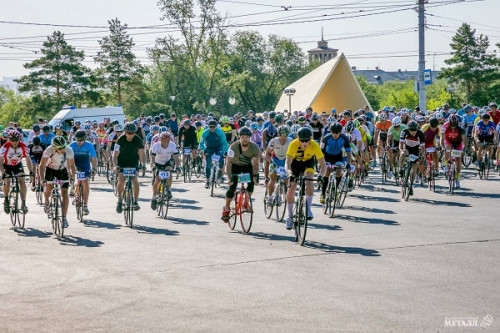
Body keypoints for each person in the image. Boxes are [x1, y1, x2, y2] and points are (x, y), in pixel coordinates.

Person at [285, 127, 326, 229]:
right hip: (295, 164)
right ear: (298, 138)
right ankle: (289, 216)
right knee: (291, 188)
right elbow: (288, 163)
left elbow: (323, 165)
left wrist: (321, 176)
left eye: (307, 140)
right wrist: (289, 173)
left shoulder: (315, 145)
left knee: (309, 180)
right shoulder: (293, 144)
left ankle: (308, 209)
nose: (304, 143)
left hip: (308, 163)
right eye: (302, 140)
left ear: (310, 139)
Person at [221, 127, 260, 221]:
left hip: (247, 167)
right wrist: (229, 178)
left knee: (251, 185)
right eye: (242, 137)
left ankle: (246, 201)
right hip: (235, 166)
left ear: (250, 138)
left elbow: (255, 163)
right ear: (239, 137)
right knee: (232, 187)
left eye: (247, 137)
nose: (245, 139)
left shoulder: (254, 147)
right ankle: (226, 207)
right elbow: (228, 163)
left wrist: (255, 176)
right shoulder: (233, 147)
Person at [39, 136, 76, 228]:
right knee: (49, 188)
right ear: (54, 147)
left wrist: (72, 178)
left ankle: (64, 218)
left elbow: (71, 166)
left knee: (64, 193)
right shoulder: (48, 150)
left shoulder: (69, 150)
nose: (62, 149)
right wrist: (42, 179)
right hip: (50, 169)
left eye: (63, 147)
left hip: (62, 169)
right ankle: (47, 201)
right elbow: (42, 166)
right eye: (60, 148)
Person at [113, 122, 145, 213]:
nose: (130, 135)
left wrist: (142, 164)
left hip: (133, 162)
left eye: (132, 133)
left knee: (135, 180)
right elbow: (114, 156)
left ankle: (135, 201)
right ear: (125, 132)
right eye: (128, 133)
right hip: (122, 162)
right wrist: (115, 166)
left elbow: (142, 153)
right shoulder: (120, 140)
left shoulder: (138, 140)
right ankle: (119, 200)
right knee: (121, 180)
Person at [0, 130, 33, 214]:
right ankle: (6, 199)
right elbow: (0, 162)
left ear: (19, 139)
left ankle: (24, 203)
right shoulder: (5, 147)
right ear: (9, 140)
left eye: (16, 140)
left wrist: (31, 171)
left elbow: (28, 160)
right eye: (12, 140)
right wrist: (3, 173)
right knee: (7, 181)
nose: (14, 142)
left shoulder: (23, 146)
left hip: (17, 165)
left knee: (22, 181)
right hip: (7, 165)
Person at [320, 123, 352, 204]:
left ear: (340, 132)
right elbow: (321, 151)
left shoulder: (344, 138)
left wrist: (348, 163)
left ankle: (335, 189)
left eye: (337, 133)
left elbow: (348, 152)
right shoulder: (326, 138)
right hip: (327, 156)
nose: (334, 134)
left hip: (338, 156)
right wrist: (321, 163)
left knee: (339, 171)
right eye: (333, 132)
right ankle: (323, 194)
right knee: (327, 172)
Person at [69, 130, 97, 215]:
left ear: (84, 139)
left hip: (85, 164)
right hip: (74, 162)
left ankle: (85, 205)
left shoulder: (89, 145)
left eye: (81, 140)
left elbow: (93, 158)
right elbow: (68, 159)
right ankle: (72, 187)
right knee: (71, 173)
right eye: (77, 140)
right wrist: (71, 170)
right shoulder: (72, 145)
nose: (79, 142)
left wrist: (94, 168)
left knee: (85, 182)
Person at [150, 132, 180, 210]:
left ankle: (169, 190)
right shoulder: (156, 146)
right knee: (157, 180)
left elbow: (176, 158)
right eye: (164, 141)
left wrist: (177, 167)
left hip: (167, 162)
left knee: (169, 172)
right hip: (157, 163)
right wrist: (153, 166)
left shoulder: (172, 145)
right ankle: (154, 197)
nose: (166, 143)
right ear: (160, 140)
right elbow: (152, 158)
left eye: (167, 141)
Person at [265, 125, 292, 206]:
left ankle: (279, 195)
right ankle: (270, 197)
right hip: (275, 160)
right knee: (273, 179)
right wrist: (271, 162)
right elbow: (267, 154)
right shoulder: (273, 141)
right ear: (278, 134)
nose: (283, 137)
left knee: (285, 181)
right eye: (281, 135)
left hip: (285, 161)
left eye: (285, 135)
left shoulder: (290, 141)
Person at [399, 120, 425, 196]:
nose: (413, 132)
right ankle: (401, 168)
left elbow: (423, 147)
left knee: (415, 166)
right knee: (403, 153)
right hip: (406, 147)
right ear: (408, 129)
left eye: (415, 130)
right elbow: (401, 144)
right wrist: (401, 151)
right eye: (411, 130)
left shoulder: (420, 133)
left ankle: (411, 184)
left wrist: (423, 155)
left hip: (415, 149)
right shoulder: (404, 132)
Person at [199, 120, 228, 188]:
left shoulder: (220, 132)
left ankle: (220, 172)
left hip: (218, 147)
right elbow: (201, 143)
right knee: (208, 164)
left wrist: (226, 151)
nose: (212, 128)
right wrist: (204, 150)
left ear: (216, 126)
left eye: (213, 127)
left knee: (221, 160)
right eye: (210, 127)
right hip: (209, 147)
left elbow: (225, 143)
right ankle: (207, 181)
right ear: (208, 126)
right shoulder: (205, 133)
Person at [441, 114, 467, 188]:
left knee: (458, 159)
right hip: (448, 141)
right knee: (448, 149)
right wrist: (442, 146)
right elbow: (442, 138)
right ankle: (445, 163)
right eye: (452, 125)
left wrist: (464, 148)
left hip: (458, 142)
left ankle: (458, 178)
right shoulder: (445, 125)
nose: (453, 127)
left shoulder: (460, 127)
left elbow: (464, 139)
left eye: (454, 125)